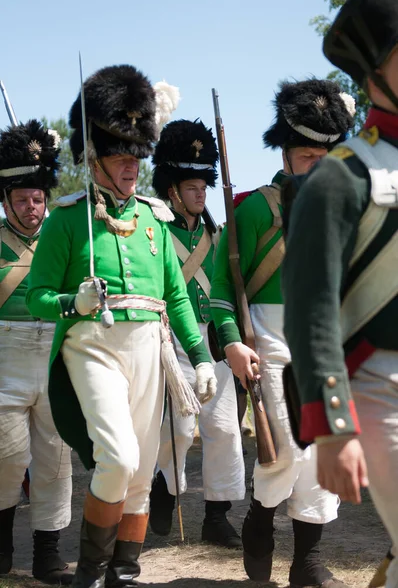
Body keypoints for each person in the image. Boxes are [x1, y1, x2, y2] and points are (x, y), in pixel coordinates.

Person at [26, 65, 217, 588]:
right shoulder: (67, 219)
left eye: (136, 154)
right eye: (119, 154)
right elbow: (38, 296)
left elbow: (175, 296)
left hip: (147, 348)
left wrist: (199, 356)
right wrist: (73, 301)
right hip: (90, 347)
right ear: (93, 157)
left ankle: (124, 574)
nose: (131, 165)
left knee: (139, 472)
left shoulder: (155, 218)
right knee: (118, 458)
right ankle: (89, 575)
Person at [210, 79, 355, 587]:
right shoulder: (253, 210)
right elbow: (221, 291)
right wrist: (230, 339)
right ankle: (260, 517)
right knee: (289, 448)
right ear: (287, 155)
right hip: (268, 341)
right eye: (307, 154)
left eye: (325, 155)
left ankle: (308, 562)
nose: (317, 165)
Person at [281, 0, 398, 588]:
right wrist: (332, 426)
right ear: (374, 70)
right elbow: (313, 306)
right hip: (377, 384)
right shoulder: (341, 177)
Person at [149, 119, 245, 548]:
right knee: (180, 430)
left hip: (213, 341)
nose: (200, 195)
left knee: (224, 429)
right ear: (171, 189)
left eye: (204, 188)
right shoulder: (154, 230)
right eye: (192, 187)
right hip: (169, 338)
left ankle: (217, 515)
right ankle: (164, 489)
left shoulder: (217, 235)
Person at [0, 120, 72, 584]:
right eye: (23, 199)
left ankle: (48, 551)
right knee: (7, 457)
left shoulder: (61, 238)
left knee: (55, 458)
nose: (32, 207)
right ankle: (3, 543)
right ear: (6, 201)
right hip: (4, 357)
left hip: (53, 355)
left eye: (38, 199)